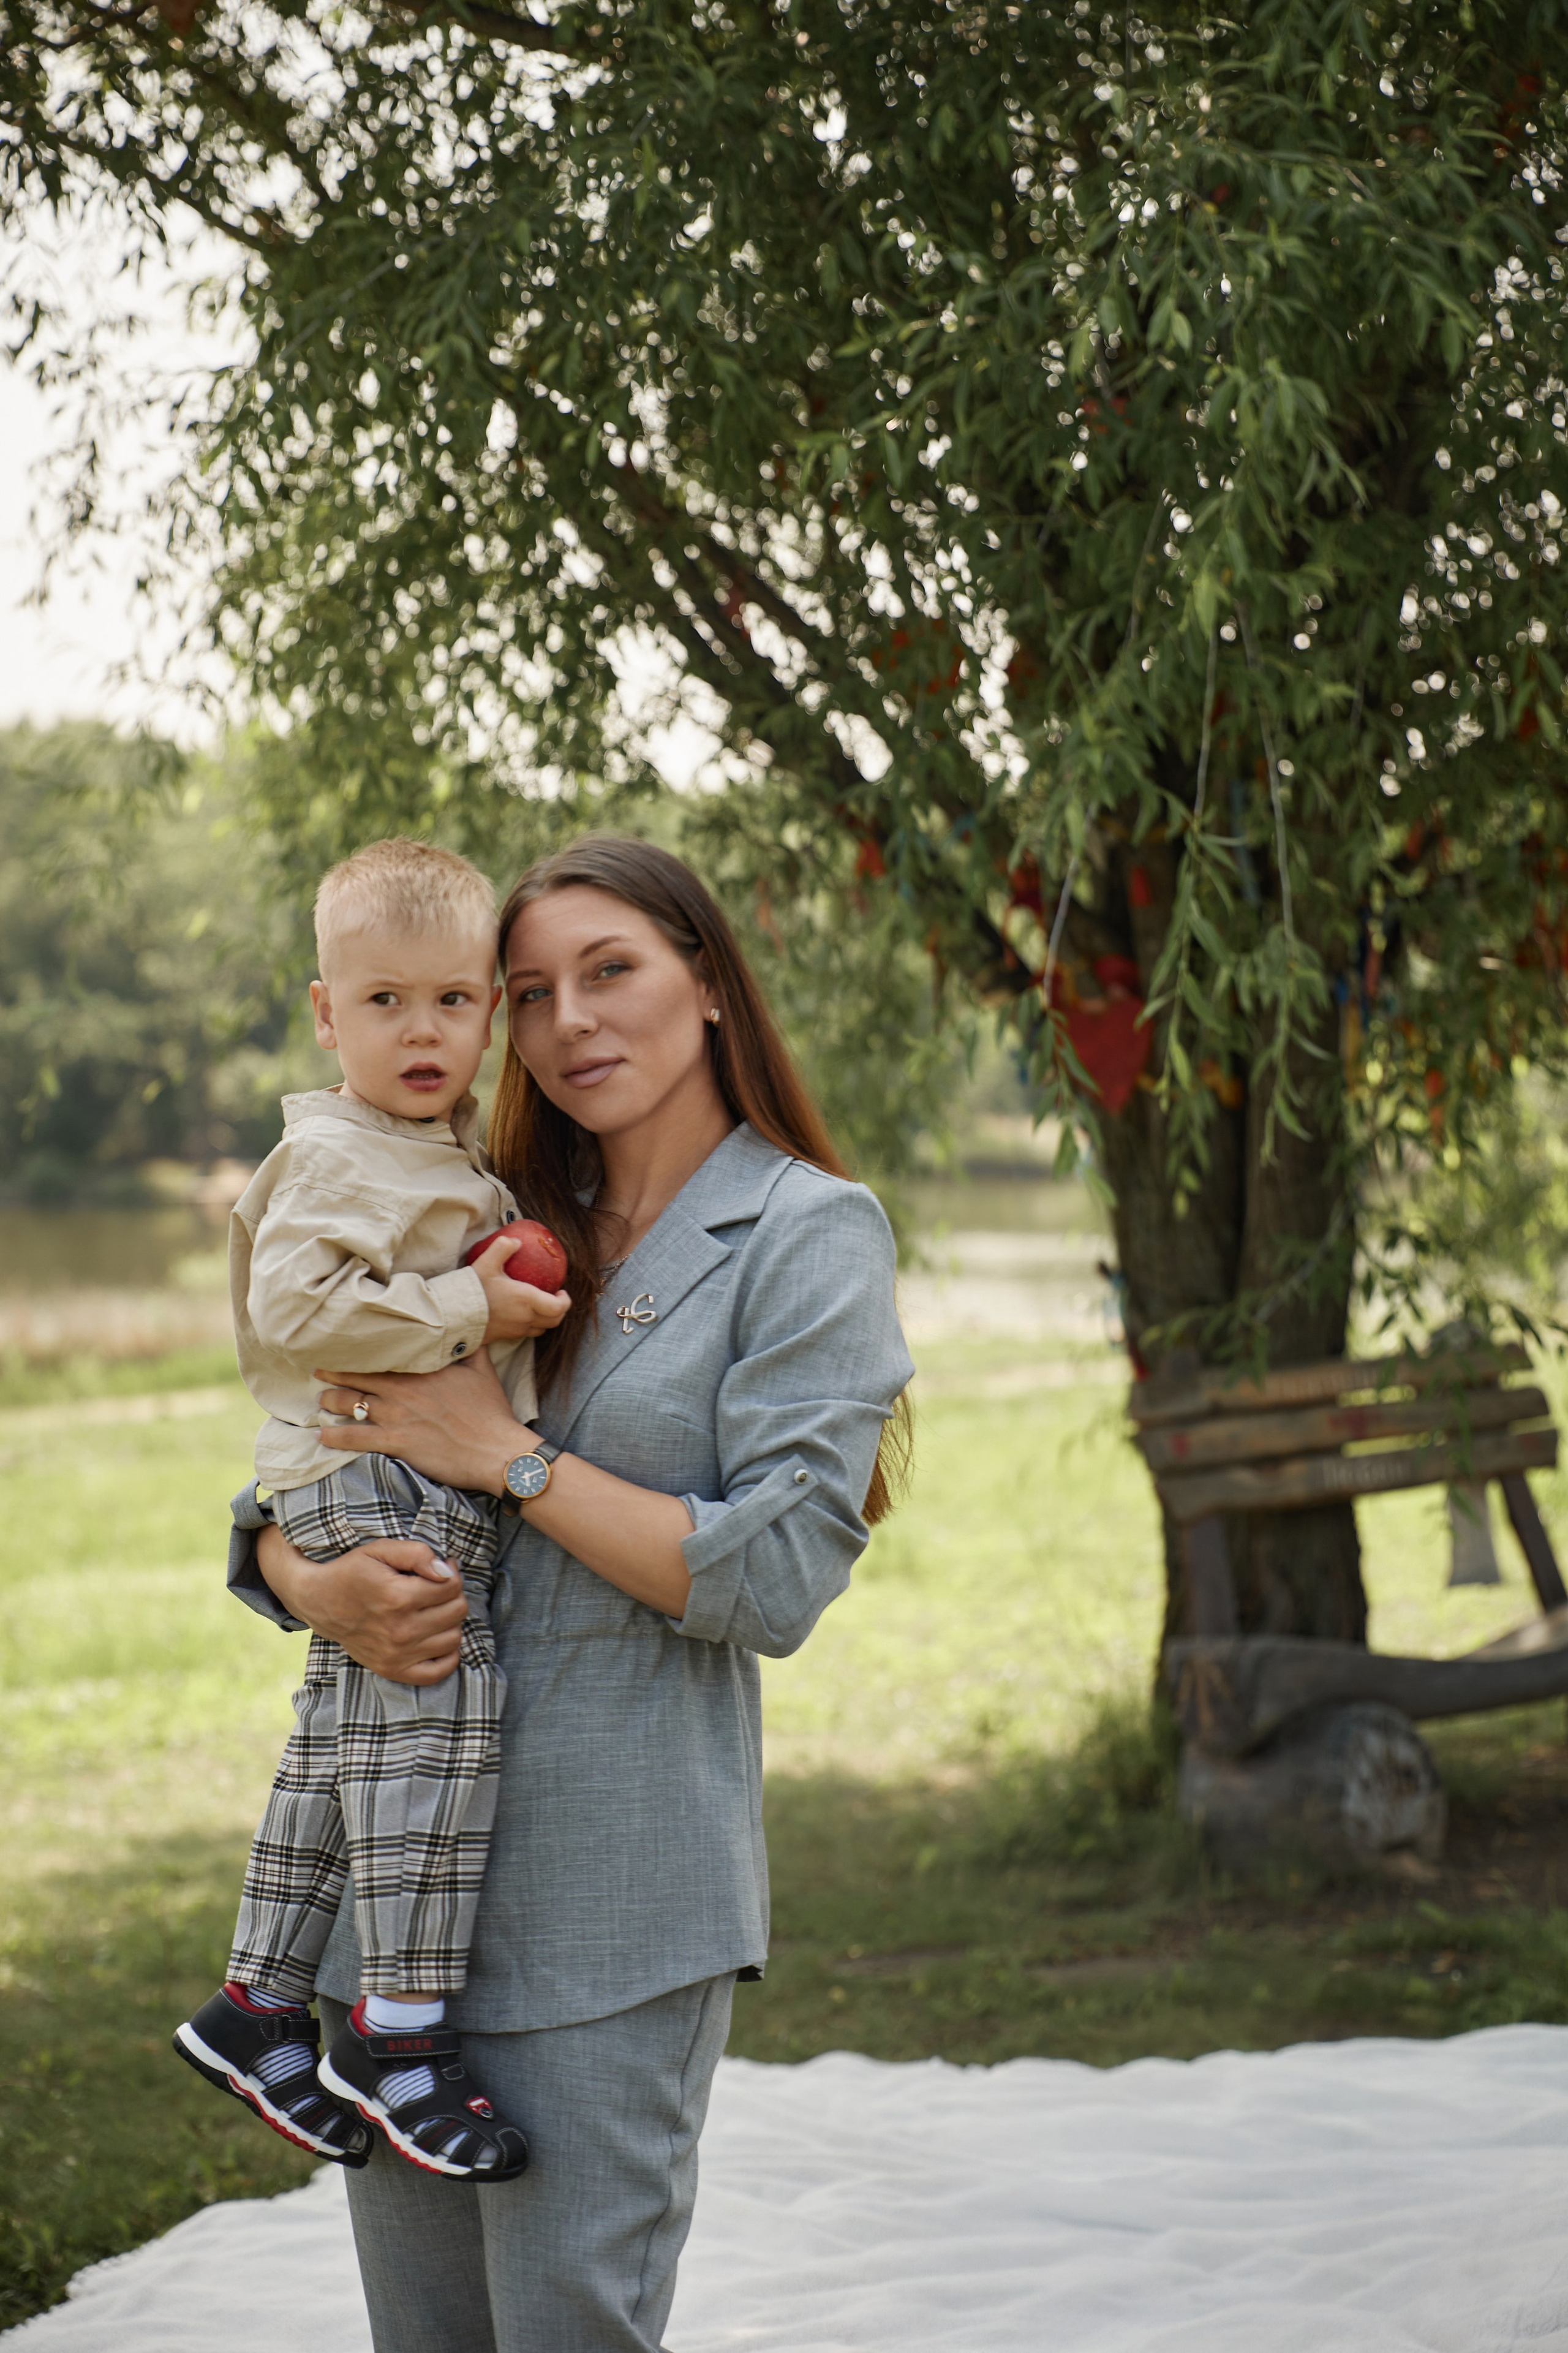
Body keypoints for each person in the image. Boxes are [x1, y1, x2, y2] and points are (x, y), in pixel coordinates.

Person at [225, 834, 914, 2353]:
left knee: (566, 2332)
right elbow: (302, 1454)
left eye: (611, 971)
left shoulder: (805, 1231)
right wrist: (301, 1576)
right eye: (527, 991)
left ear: (710, 983)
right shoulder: (467, 1199)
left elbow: (778, 1573)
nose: (567, 1022)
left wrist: (508, 1457)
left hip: (613, 1898)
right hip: (385, 1893)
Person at [176, 839, 567, 2181]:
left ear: (488, 1012)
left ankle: (260, 2002)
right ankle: (399, 2037)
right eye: (384, 1000)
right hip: (376, 1471)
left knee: (342, 1749)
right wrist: (473, 1306)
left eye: (454, 1001)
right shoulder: (339, 1153)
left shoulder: (415, 1145)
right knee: (435, 1737)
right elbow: (290, 1311)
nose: (423, 1029)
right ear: (324, 1010)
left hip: (367, 1471)